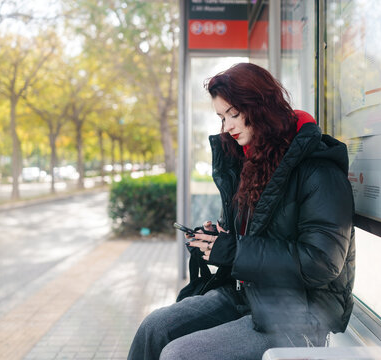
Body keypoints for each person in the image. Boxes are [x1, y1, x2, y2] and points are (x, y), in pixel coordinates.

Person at [127, 63, 355, 360]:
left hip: (298, 314)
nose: (228, 127)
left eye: (234, 114)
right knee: (155, 327)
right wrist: (216, 240)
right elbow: (253, 237)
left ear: (262, 107)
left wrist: (234, 252)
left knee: (179, 355)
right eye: (222, 118)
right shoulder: (252, 164)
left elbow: (322, 263)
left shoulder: (319, 172)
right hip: (247, 294)